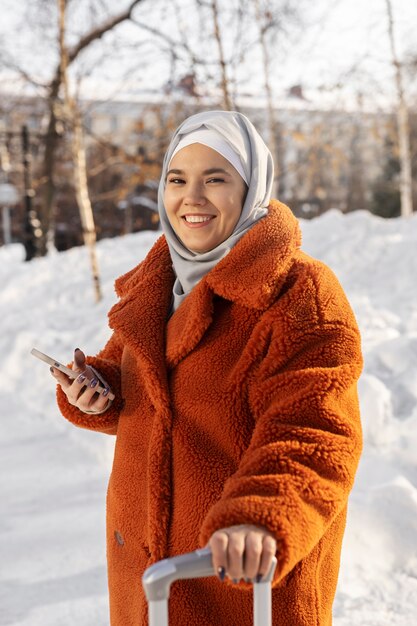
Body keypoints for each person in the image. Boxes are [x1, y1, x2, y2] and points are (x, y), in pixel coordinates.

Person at [51, 110, 363, 626]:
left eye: (214, 179)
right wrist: (97, 389)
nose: (191, 198)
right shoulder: (158, 283)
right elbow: (141, 383)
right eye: (178, 179)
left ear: (251, 189)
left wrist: (260, 517)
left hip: (236, 583)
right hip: (144, 585)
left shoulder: (298, 292)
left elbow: (316, 433)